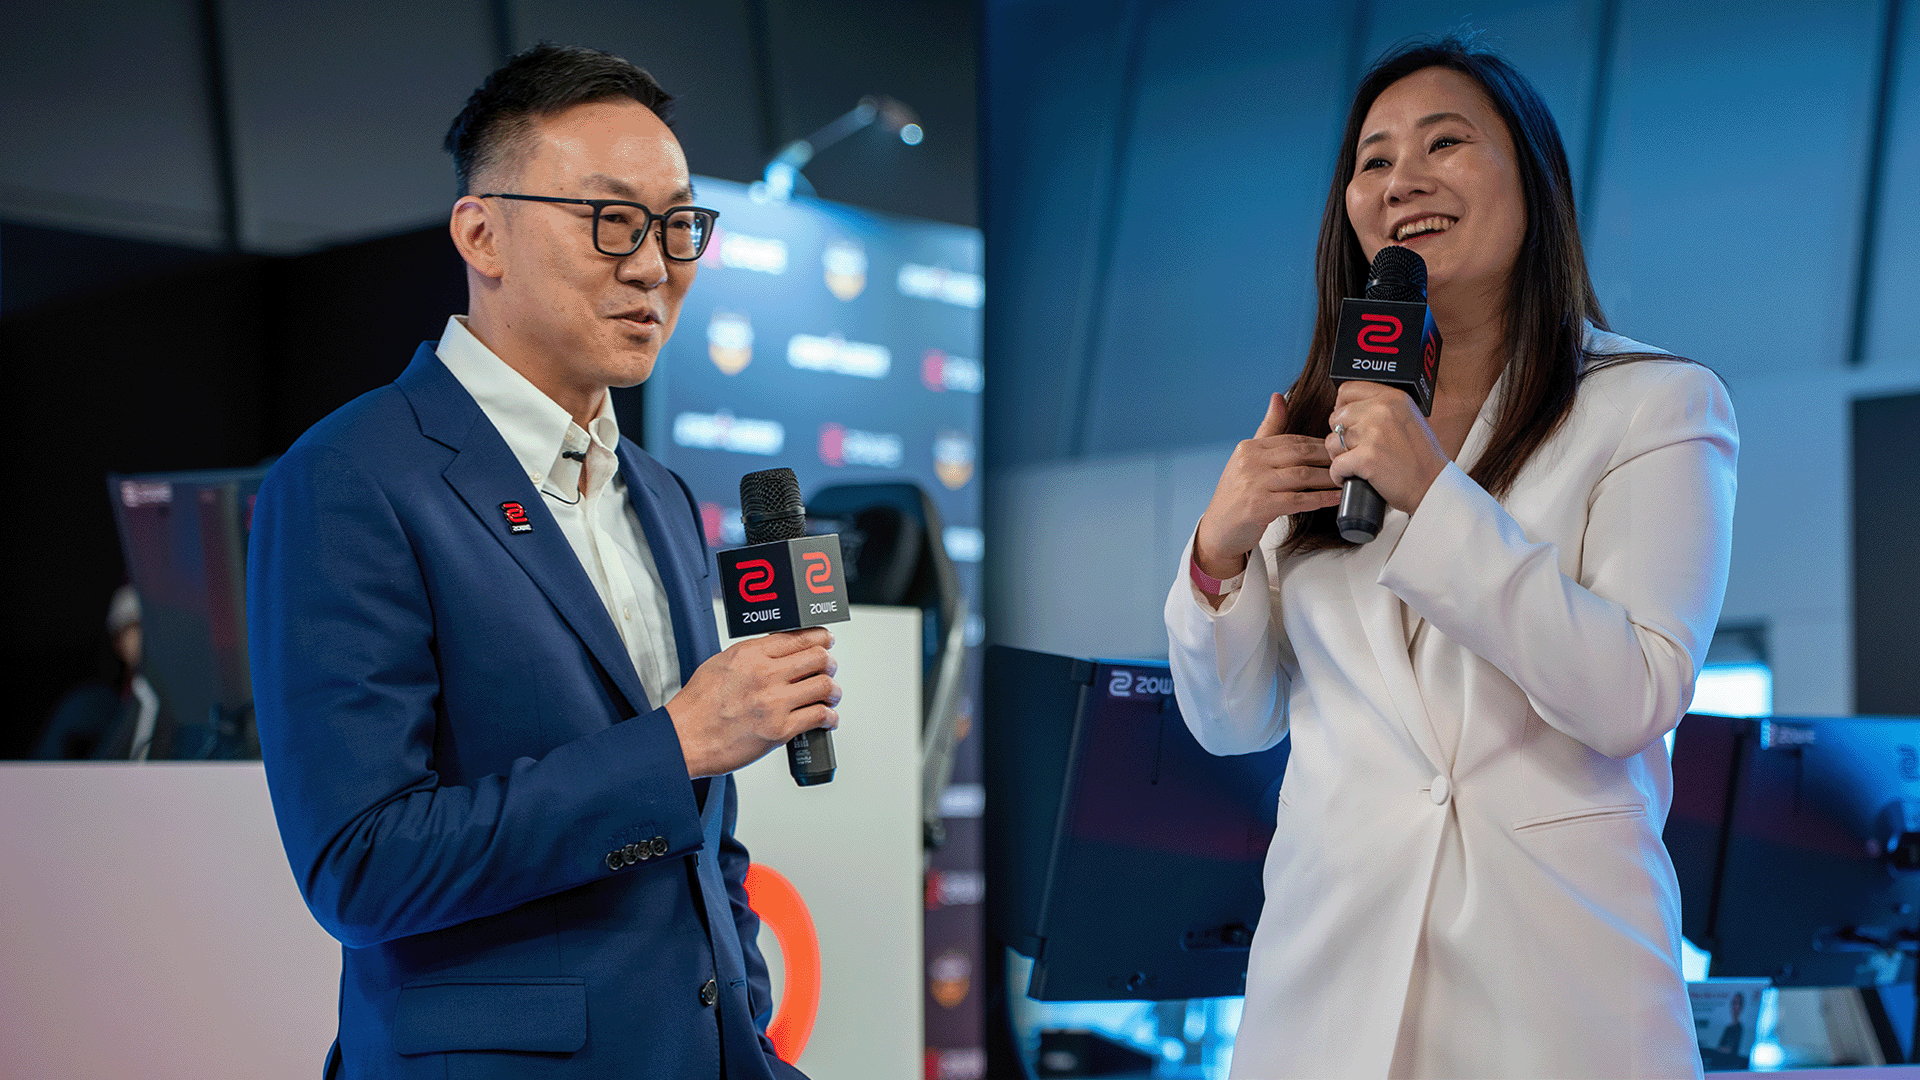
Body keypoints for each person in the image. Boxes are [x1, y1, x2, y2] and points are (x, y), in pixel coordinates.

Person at [248, 44, 835, 1079]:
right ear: (482, 233)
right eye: (610, 220)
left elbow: (706, 840)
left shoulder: (658, 492)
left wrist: (747, 1036)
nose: (653, 266)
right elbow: (362, 866)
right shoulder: (351, 476)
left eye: (677, 226)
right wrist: (674, 747)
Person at [1165, 36, 1734, 1079]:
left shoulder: (1656, 404)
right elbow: (1230, 723)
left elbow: (1632, 694)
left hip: (1554, 991)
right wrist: (1217, 556)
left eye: (1444, 144)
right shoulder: (1323, 419)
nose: (1403, 181)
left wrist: (1434, 494)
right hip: (1327, 991)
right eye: (1374, 159)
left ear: (1534, 179)